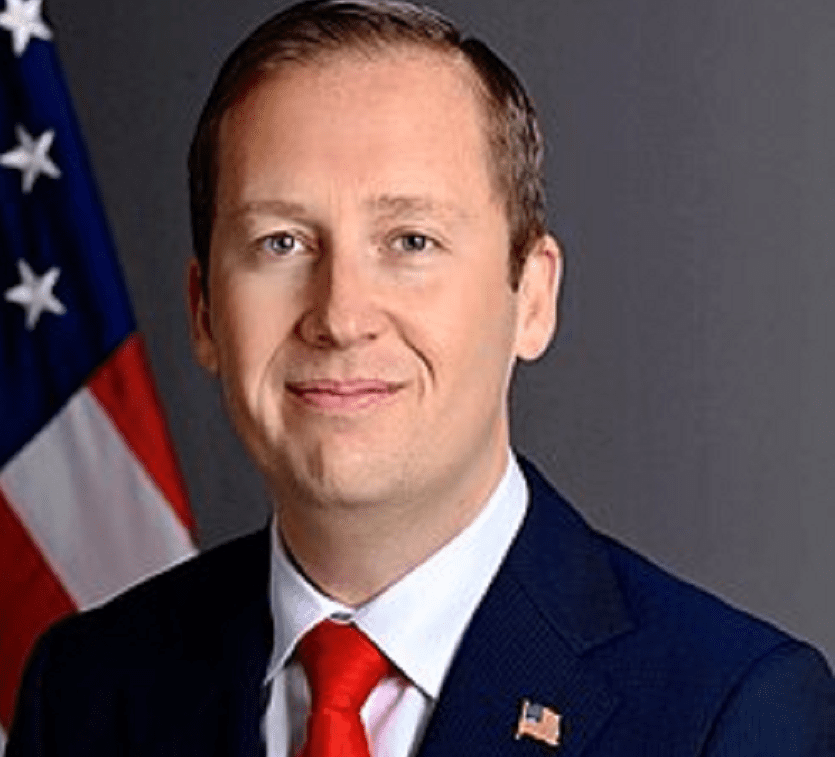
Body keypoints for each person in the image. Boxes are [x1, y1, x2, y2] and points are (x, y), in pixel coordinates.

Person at [8, 1, 834, 755]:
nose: (340, 315)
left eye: (410, 241)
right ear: (203, 311)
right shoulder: (85, 689)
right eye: (281, 243)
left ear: (532, 298)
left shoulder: (730, 711)